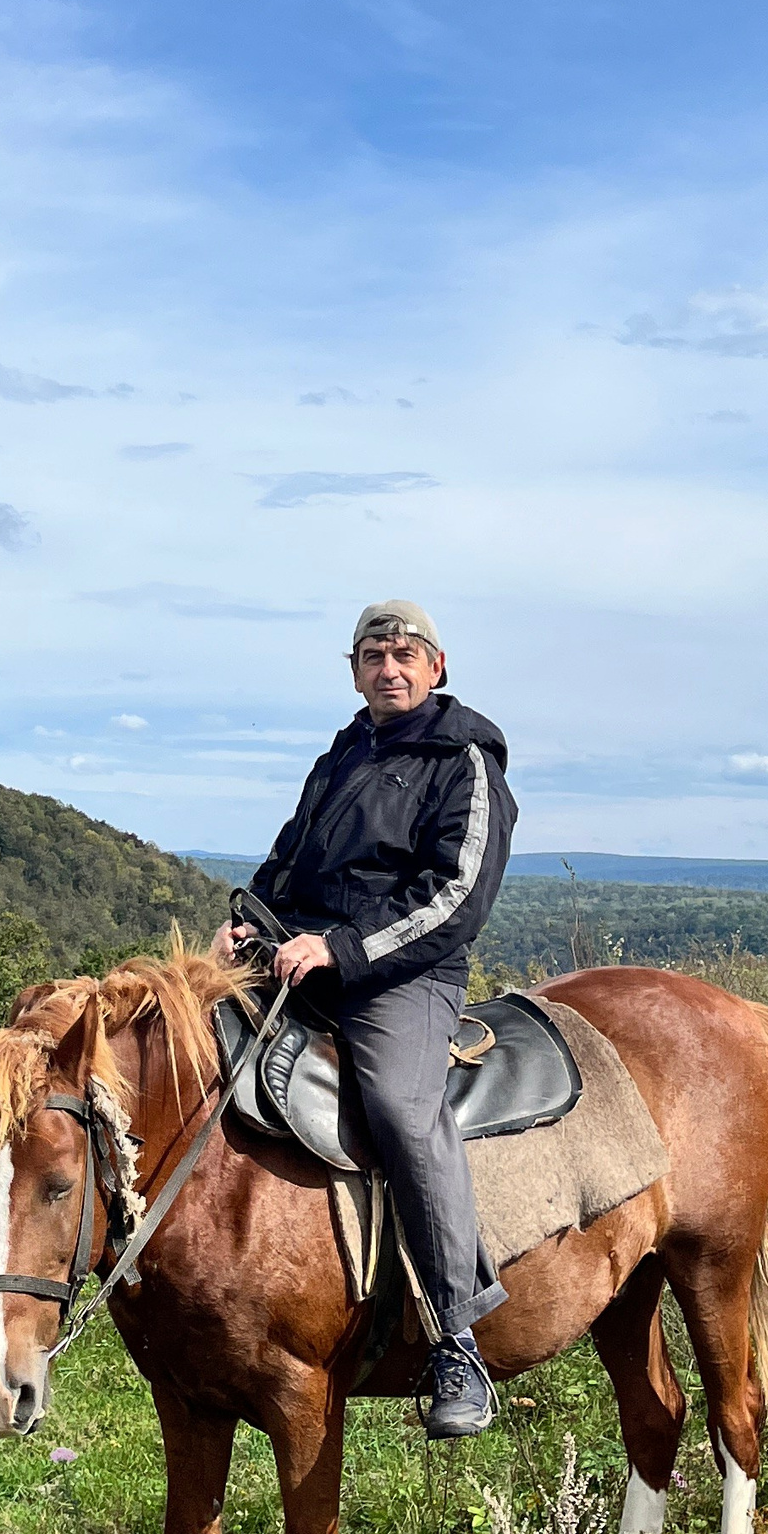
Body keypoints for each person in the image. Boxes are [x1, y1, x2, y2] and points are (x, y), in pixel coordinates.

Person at [214, 598, 516, 1437]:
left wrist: (341, 949)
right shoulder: (342, 754)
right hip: (307, 951)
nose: (390, 667)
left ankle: (457, 1336)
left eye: (406, 653)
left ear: (437, 666)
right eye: (374, 655)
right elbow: (288, 857)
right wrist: (251, 918)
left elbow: (455, 897)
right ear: (355, 671)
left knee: (398, 1108)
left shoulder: (465, 761)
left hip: (404, 974)